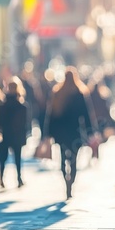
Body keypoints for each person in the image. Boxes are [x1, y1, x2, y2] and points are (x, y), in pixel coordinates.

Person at [45, 67, 97, 199]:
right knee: (74, 159)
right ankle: (71, 182)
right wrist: (91, 131)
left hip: (60, 132)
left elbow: (50, 115)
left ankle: (65, 178)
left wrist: (48, 133)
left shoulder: (57, 93)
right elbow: (86, 114)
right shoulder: (79, 93)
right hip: (75, 132)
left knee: (62, 157)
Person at [0, 77, 29, 188]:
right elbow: (25, 123)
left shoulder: (3, 106)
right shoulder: (22, 106)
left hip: (6, 134)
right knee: (17, 158)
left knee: (3, 157)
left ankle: (1, 177)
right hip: (17, 135)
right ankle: (18, 178)